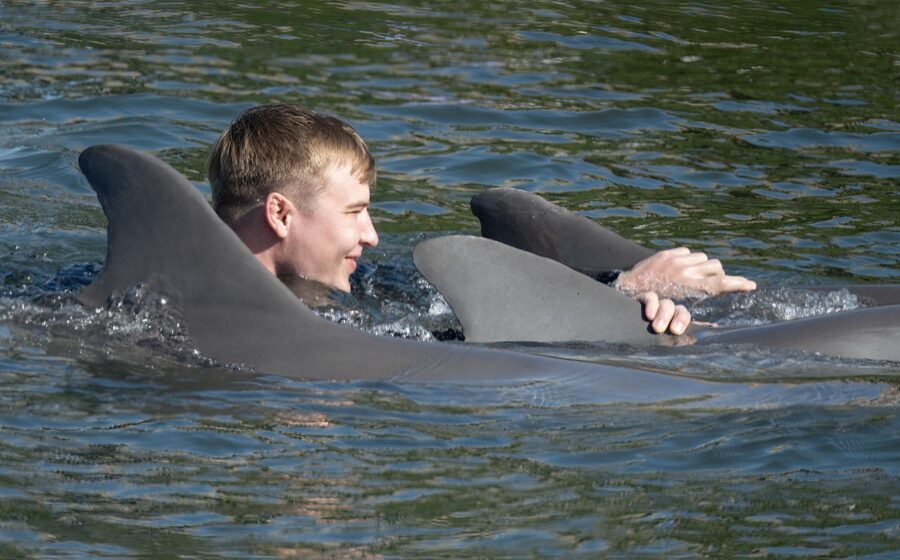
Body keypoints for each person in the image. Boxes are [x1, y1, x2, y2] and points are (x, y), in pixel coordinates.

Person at [206, 103, 748, 336]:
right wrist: (624, 294)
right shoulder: (220, 320)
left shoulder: (354, 290)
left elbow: (447, 327)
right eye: (354, 212)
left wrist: (616, 293)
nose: (371, 235)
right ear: (279, 213)